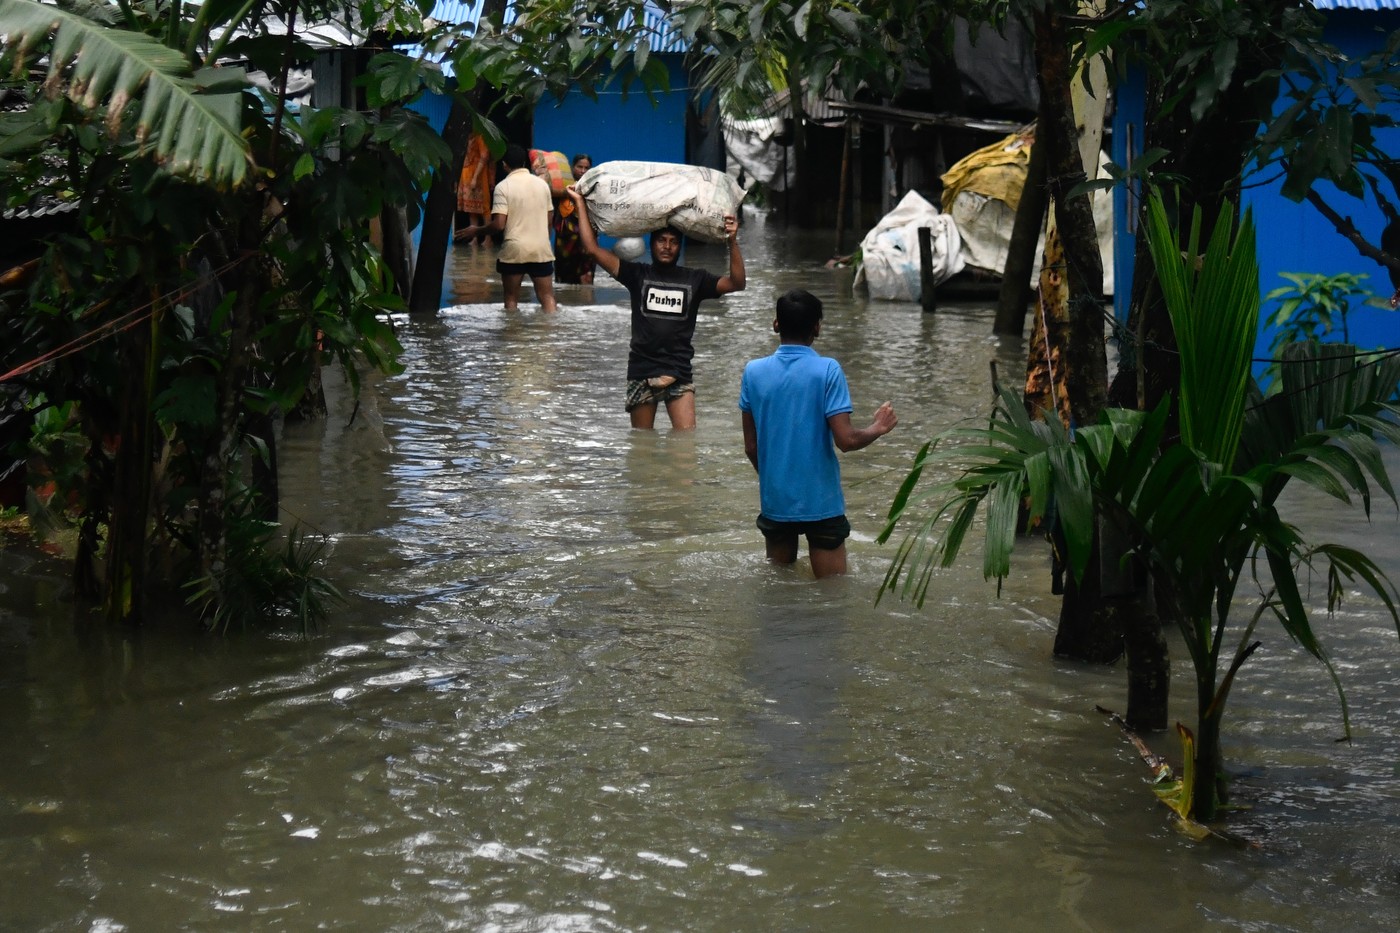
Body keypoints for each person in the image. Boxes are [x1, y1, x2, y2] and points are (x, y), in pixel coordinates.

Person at [739, 288, 898, 578]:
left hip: (776, 501)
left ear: (776, 324)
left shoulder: (753, 372)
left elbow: (751, 446)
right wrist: (878, 427)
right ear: (817, 327)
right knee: (832, 593)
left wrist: (776, 480)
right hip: (821, 503)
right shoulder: (827, 370)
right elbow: (846, 441)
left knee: (779, 591)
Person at [563, 184, 745, 429]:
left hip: (678, 371)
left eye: (673, 242)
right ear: (652, 243)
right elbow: (593, 250)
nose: (667, 246)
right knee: (642, 442)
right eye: (661, 241)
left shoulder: (696, 279)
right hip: (641, 370)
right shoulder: (636, 274)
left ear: (679, 247)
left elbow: (737, 283)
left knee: (685, 444)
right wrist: (580, 203)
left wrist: (732, 241)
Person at [457, 144, 557, 312]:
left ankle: (512, 329)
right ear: (524, 163)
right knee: (547, 297)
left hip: (514, 251)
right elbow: (549, 220)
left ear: (504, 165)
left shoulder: (503, 187)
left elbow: (499, 224)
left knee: (511, 299)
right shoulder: (542, 185)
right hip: (541, 249)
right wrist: (543, 241)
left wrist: (476, 230)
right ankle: (552, 328)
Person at [553, 153, 596, 284]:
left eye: (586, 168)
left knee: (587, 278)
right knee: (563, 280)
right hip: (565, 241)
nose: (583, 171)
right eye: (579, 167)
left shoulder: (594, 187)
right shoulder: (562, 186)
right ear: (573, 167)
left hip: (587, 240)